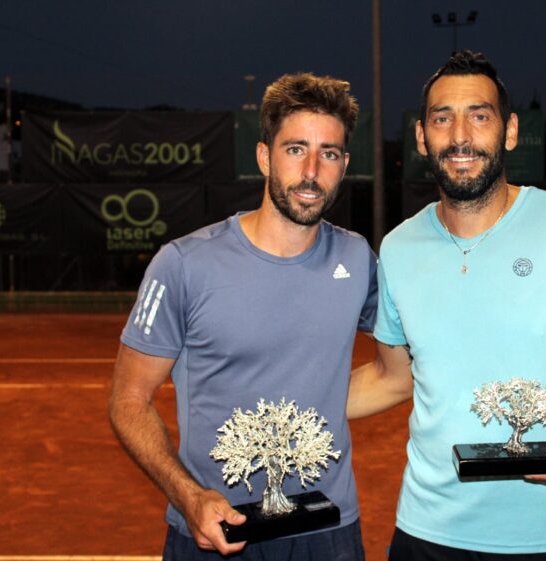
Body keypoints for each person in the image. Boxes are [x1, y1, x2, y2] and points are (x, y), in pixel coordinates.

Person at [347, 50, 546, 560]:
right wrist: (288, 398)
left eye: (479, 116)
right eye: (442, 119)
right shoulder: (398, 248)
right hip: (426, 535)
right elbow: (391, 376)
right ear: (422, 137)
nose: (460, 136)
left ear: (510, 131)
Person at [109, 72, 377, 561]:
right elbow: (128, 401)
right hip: (217, 534)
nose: (313, 170)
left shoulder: (358, 259)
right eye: (296, 149)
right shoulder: (183, 264)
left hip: (328, 532)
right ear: (263, 157)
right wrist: (188, 498)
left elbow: (410, 361)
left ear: (344, 164)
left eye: (330, 153)